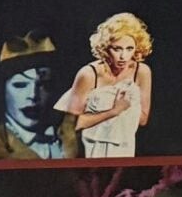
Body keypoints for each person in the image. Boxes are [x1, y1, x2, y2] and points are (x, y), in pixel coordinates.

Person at [0, 33, 81, 161]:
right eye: (20, 85)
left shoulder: (78, 134)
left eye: (44, 85)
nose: (33, 95)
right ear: (2, 91)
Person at [58, 12, 154, 159]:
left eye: (129, 49)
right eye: (117, 49)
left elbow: (142, 120)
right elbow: (69, 126)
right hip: (88, 150)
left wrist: (127, 108)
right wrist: (114, 111)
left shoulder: (142, 72)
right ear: (105, 48)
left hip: (124, 149)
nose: (123, 56)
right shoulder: (88, 74)